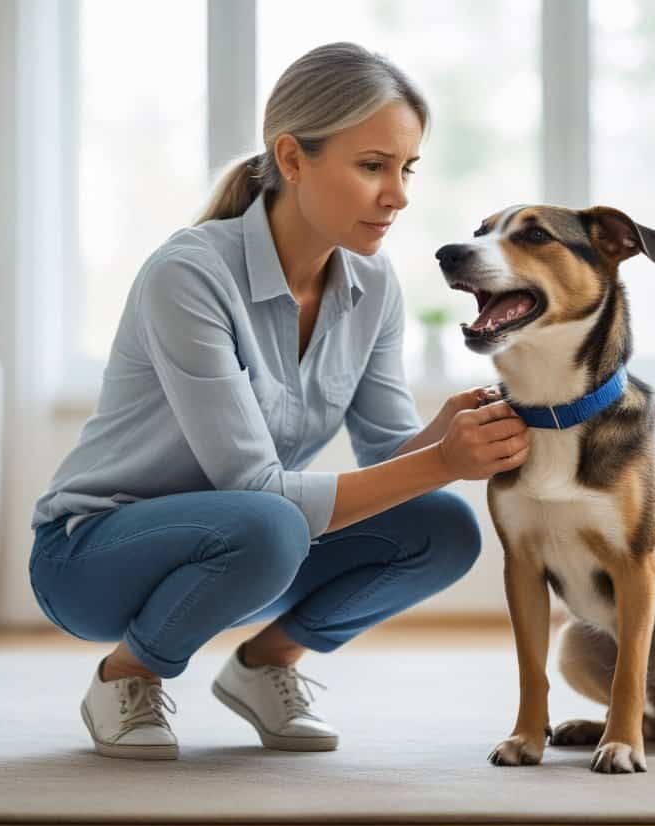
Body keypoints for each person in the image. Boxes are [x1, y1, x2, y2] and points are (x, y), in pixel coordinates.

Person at [27, 42, 530, 761]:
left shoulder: (372, 286)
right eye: (372, 166)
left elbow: (386, 461)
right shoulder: (190, 274)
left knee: (443, 529)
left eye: (406, 168)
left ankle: (266, 667)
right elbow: (254, 489)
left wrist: (446, 436)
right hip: (93, 559)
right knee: (271, 521)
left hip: (248, 550)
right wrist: (444, 460)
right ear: (292, 159)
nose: (399, 194)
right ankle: (124, 676)